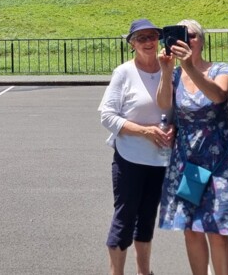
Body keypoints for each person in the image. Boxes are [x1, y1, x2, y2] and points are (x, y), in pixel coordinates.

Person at [155, 19, 228, 275]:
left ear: (202, 40)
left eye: (192, 35)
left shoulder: (219, 68)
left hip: (218, 163)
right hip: (188, 164)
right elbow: (163, 104)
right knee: (192, 229)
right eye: (181, 35)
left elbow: (219, 95)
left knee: (217, 230)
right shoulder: (176, 73)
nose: (187, 40)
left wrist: (189, 66)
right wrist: (165, 71)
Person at [99, 18, 173, 275]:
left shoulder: (169, 69)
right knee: (124, 218)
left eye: (152, 36)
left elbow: (173, 109)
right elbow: (107, 116)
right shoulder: (124, 72)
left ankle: (145, 272)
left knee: (147, 219)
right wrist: (144, 131)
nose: (149, 42)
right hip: (130, 158)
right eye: (141, 38)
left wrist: (175, 127)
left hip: (159, 159)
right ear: (132, 44)